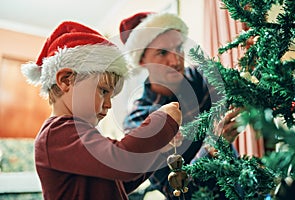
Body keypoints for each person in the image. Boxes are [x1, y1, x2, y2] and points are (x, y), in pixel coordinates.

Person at [21, 21, 182, 200]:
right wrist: (162, 122)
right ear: (66, 80)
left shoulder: (79, 133)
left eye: (110, 96)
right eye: (103, 90)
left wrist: (157, 151)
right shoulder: (57, 133)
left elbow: (120, 180)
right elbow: (123, 161)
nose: (108, 104)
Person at [119, 12, 242, 199]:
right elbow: (174, 191)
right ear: (142, 60)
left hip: (242, 186)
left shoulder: (201, 78)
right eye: (162, 53)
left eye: (179, 48)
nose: (175, 61)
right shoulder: (139, 121)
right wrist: (212, 147)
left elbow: (239, 93)